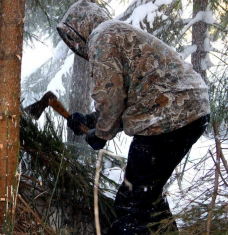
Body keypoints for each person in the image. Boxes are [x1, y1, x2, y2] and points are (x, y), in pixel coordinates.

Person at [58, 0, 210, 234]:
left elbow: (112, 97)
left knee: (132, 205)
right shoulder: (114, 32)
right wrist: (91, 120)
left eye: (75, 38)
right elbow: (125, 92)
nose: (76, 44)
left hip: (165, 118)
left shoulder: (101, 36)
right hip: (190, 111)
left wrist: (100, 134)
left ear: (82, 24)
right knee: (148, 196)